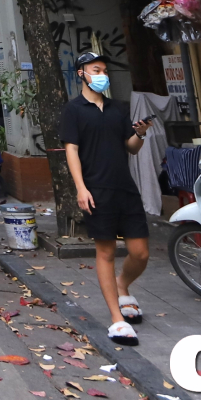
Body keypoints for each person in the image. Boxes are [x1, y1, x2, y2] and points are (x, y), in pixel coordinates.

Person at [59, 50, 152, 344]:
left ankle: (123, 286)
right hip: (95, 190)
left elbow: (132, 147)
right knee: (106, 252)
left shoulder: (117, 109)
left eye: (104, 71)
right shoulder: (73, 110)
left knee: (140, 252)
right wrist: (80, 187)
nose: (102, 75)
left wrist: (141, 133)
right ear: (81, 74)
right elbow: (71, 150)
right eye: (95, 70)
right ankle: (117, 319)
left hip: (125, 187)